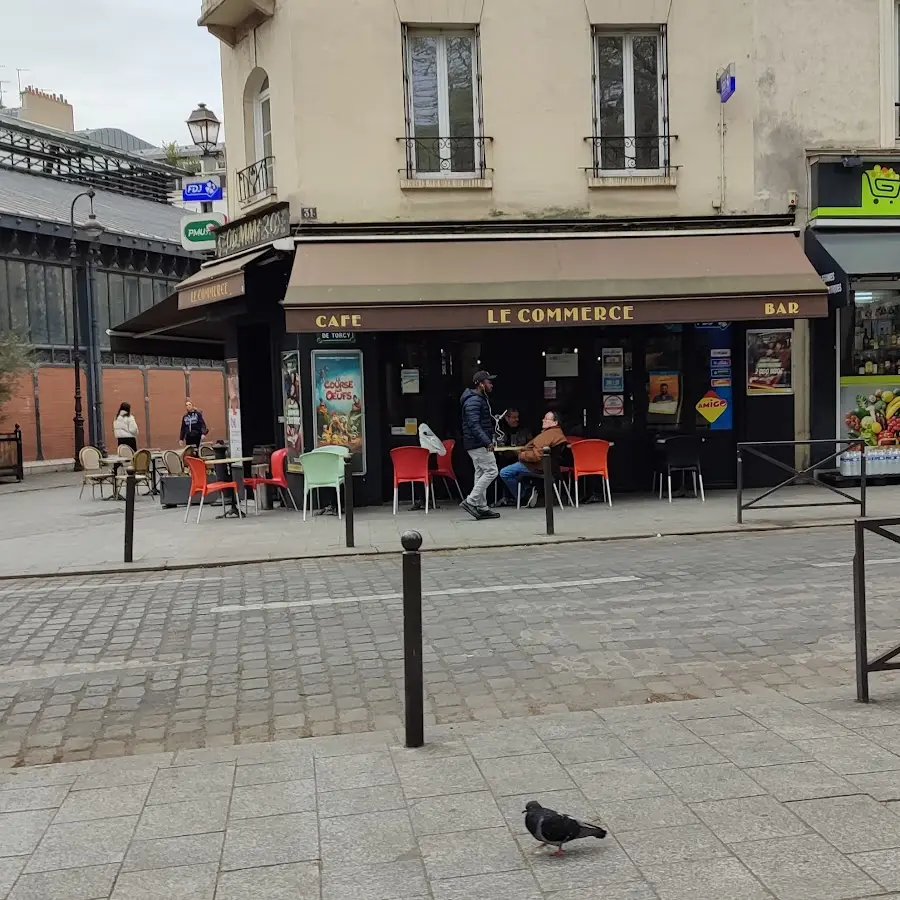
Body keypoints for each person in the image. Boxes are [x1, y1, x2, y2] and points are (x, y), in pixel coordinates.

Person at [499, 410, 567, 508]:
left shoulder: (546, 436)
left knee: (504, 472)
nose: (543, 420)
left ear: (555, 422)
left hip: (537, 466)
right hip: (551, 468)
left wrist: (521, 455)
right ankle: (528, 490)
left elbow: (536, 456)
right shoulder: (559, 434)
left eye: (546, 419)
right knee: (517, 472)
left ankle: (524, 496)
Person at [459, 370, 500, 520]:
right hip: (477, 443)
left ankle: (482, 507)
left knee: (481, 473)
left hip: (474, 442)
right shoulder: (473, 401)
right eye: (488, 382)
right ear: (481, 384)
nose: (491, 384)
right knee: (492, 471)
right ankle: (471, 501)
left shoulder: (477, 399)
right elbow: (474, 424)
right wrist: (487, 441)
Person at [495, 408, 534, 505]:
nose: (517, 420)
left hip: (522, 456)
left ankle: (524, 495)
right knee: (500, 467)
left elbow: (532, 442)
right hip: (505, 457)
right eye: (514, 417)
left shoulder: (524, 429)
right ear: (507, 418)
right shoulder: (500, 429)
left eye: (517, 417)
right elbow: (498, 444)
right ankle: (505, 497)